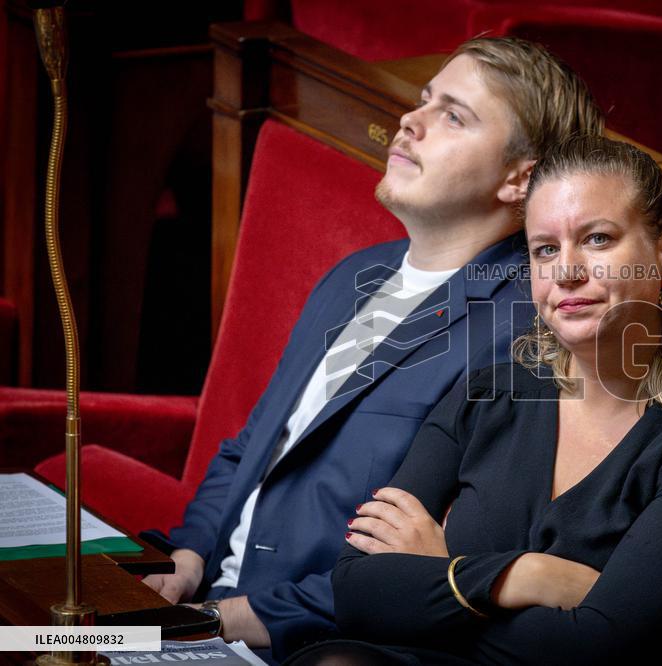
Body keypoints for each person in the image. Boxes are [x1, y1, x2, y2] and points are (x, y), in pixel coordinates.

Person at [140, 38, 604, 661]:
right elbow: (253, 445)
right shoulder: (352, 275)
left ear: (519, 179)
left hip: (304, 642)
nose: (410, 121)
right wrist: (189, 558)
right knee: (31, 634)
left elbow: (436, 563)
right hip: (200, 608)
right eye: (423, 100)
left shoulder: (523, 330)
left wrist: (226, 618)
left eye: (453, 115)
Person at [307, 136, 662, 665]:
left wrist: (440, 575)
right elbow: (354, 590)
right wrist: (526, 576)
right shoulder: (493, 390)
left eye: (598, 239)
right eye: (545, 249)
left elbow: (601, 648)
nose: (567, 271)